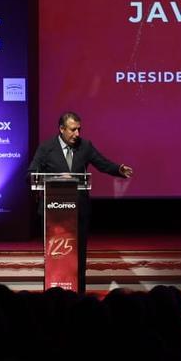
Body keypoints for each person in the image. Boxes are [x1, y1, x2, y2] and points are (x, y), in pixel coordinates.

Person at [28, 112, 133, 290]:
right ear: (61, 129)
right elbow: (31, 175)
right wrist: (57, 178)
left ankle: (80, 296)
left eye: (79, 129)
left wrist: (118, 169)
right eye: (73, 130)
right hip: (53, 213)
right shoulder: (46, 148)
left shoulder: (85, 146)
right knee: (55, 256)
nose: (77, 134)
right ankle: (54, 294)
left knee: (79, 257)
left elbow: (102, 163)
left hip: (79, 211)